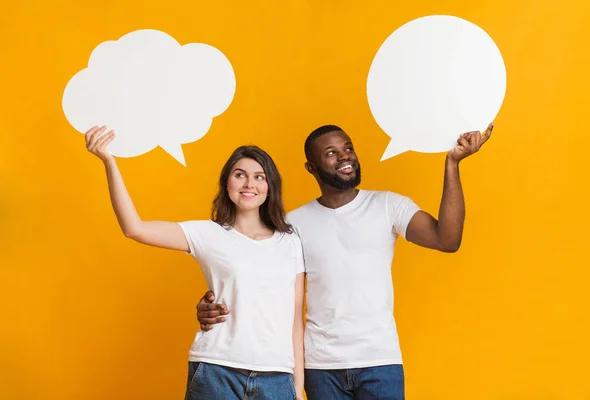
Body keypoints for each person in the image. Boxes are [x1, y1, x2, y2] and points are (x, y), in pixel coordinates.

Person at [196, 123, 493, 399]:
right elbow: (255, 277)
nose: (344, 157)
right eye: (331, 153)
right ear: (311, 167)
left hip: (380, 361)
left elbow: (447, 240)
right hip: (320, 367)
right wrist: (213, 304)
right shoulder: (293, 224)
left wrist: (452, 164)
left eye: (348, 148)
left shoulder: (388, 205)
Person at [84, 126, 306, 400]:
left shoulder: (290, 241)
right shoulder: (207, 233)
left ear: (270, 186)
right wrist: (109, 161)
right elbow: (135, 228)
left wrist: (297, 386)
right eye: (240, 175)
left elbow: (295, 317)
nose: (250, 184)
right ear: (227, 183)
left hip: (276, 376)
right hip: (217, 371)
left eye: (259, 177)